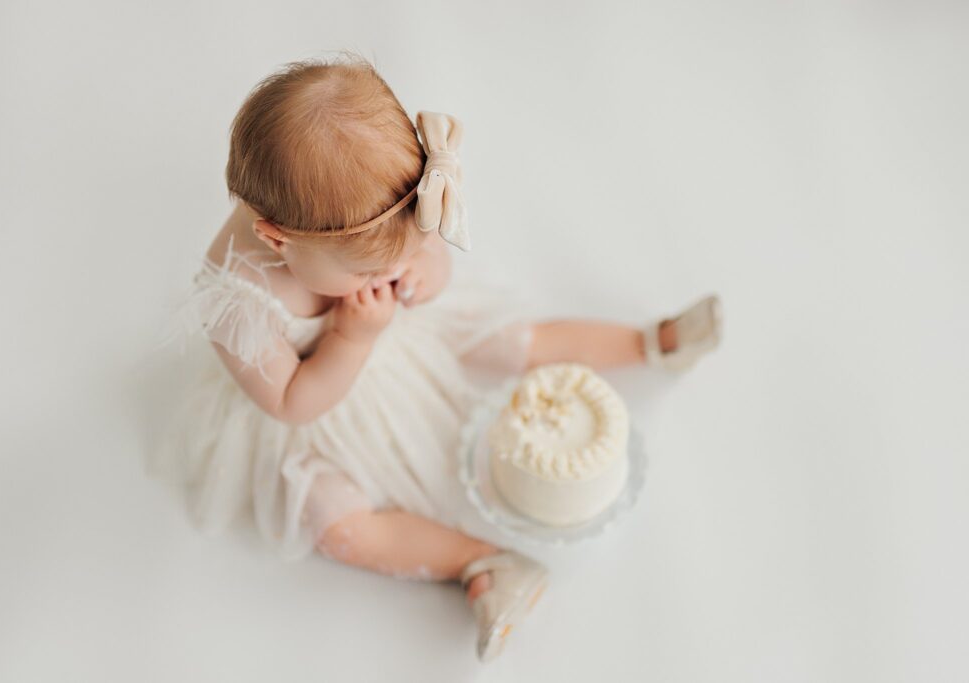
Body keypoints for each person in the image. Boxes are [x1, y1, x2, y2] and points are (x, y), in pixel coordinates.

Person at [150, 53, 722, 662]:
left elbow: (428, 268)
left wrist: (424, 271)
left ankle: (647, 344)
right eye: (375, 267)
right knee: (335, 520)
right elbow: (291, 404)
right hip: (323, 401)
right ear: (274, 238)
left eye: (407, 246)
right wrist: (352, 338)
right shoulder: (236, 298)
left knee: (512, 338)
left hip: (403, 331)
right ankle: (480, 566)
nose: (395, 269)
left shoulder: (371, 224)